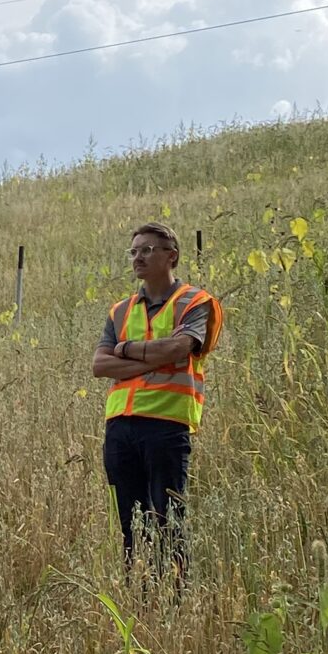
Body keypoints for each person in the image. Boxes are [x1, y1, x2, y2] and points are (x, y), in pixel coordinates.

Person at [92, 226, 222, 578]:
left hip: (166, 425)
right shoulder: (120, 311)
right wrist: (152, 357)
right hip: (120, 427)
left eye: (148, 250)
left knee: (168, 518)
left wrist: (126, 351)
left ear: (172, 255)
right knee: (130, 523)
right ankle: (141, 594)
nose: (138, 257)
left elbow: (180, 348)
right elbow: (99, 365)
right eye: (134, 251)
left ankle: (176, 601)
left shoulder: (196, 303)